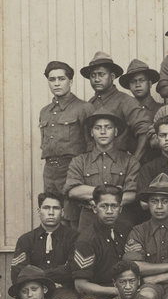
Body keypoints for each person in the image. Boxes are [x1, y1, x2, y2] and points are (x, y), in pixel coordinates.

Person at [64, 112, 140, 232]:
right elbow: (73, 191)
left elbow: (132, 194)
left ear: (115, 132)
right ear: (91, 133)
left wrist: (95, 197)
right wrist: (114, 191)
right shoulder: (80, 161)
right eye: (98, 128)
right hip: (89, 219)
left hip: (121, 219)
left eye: (108, 127)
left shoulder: (130, 161)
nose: (103, 132)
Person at [123, 174, 168, 299]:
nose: (159, 206)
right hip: (149, 286)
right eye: (154, 201)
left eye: (164, 201)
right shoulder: (139, 231)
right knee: (146, 297)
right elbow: (134, 266)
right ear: (148, 203)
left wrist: (157, 278)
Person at [39, 61, 94, 216]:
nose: (56, 83)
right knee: (52, 214)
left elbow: (91, 145)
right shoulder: (45, 112)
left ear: (70, 81)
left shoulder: (84, 108)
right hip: (50, 172)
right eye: (52, 79)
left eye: (61, 79)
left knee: (72, 218)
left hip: (72, 171)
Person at [12, 192, 79, 299]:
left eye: (56, 208)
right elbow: (17, 272)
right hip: (30, 292)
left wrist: (35, 275)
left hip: (61, 292)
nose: (51, 212)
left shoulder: (73, 238)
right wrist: (45, 281)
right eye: (46, 208)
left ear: (62, 212)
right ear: (39, 211)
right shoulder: (25, 240)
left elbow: (72, 269)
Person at [81, 52, 151, 160]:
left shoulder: (125, 101)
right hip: (94, 166)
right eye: (93, 75)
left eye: (101, 74)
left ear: (112, 76)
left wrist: (135, 161)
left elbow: (145, 131)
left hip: (119, 164)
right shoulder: (89, 104)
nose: (96, 79)